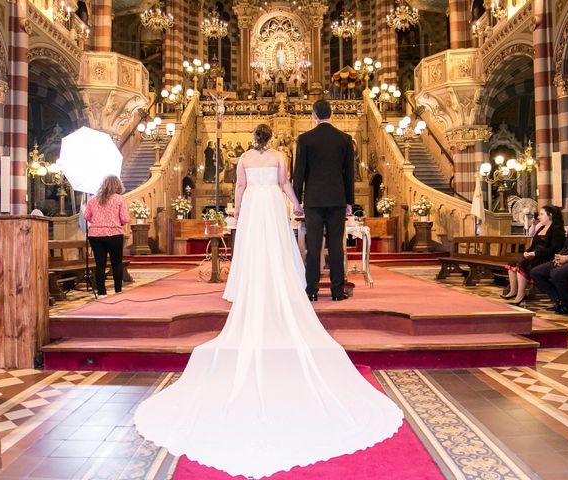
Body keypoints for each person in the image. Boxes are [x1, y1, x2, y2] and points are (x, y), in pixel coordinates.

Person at [134, 123, 402, 479]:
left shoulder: (243, 157)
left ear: (251, 139)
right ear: (270, 139)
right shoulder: (279, 156)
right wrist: (295, 204)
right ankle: (282, 280)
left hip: (256, 207)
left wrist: (238, 211)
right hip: (273, 205)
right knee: (278, 245)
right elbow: (285, 184)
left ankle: (250, 280)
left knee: (253, 246)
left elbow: (241, 188)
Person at [293, 99, 355, 301]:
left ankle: (311, 290)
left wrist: (297, 201)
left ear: (314, 115)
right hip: (337, 199)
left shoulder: (305, 139)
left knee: (313, 246)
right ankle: (337, 292)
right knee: (336, 246)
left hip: (313, 200)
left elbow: (299, 173)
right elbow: (349, 175)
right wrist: (349, 202)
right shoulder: (345, 139)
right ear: (332, 115)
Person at [501, 205, 565, 306]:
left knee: (522, 264)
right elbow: (534, 245)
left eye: (542, 214)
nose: (539, 217)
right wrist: (527, 252)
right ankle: (513, 291)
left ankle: (521, 295)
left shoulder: (557, 230)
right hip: (535, 256)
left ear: (550, 215)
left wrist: (535, 253)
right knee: (513, 263)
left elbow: (554, 249)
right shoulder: (541, 228)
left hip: (546, 258)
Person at [83, 175, 129, 297]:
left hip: (96, 235)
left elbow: (86, 216)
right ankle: (118, 290)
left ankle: (102, 292)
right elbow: (125, 218)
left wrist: (98, 220)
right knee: (116, 263)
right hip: (114, 234)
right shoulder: (119, 199)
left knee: (100, 264)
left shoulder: (93, 199)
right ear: (118, 185)